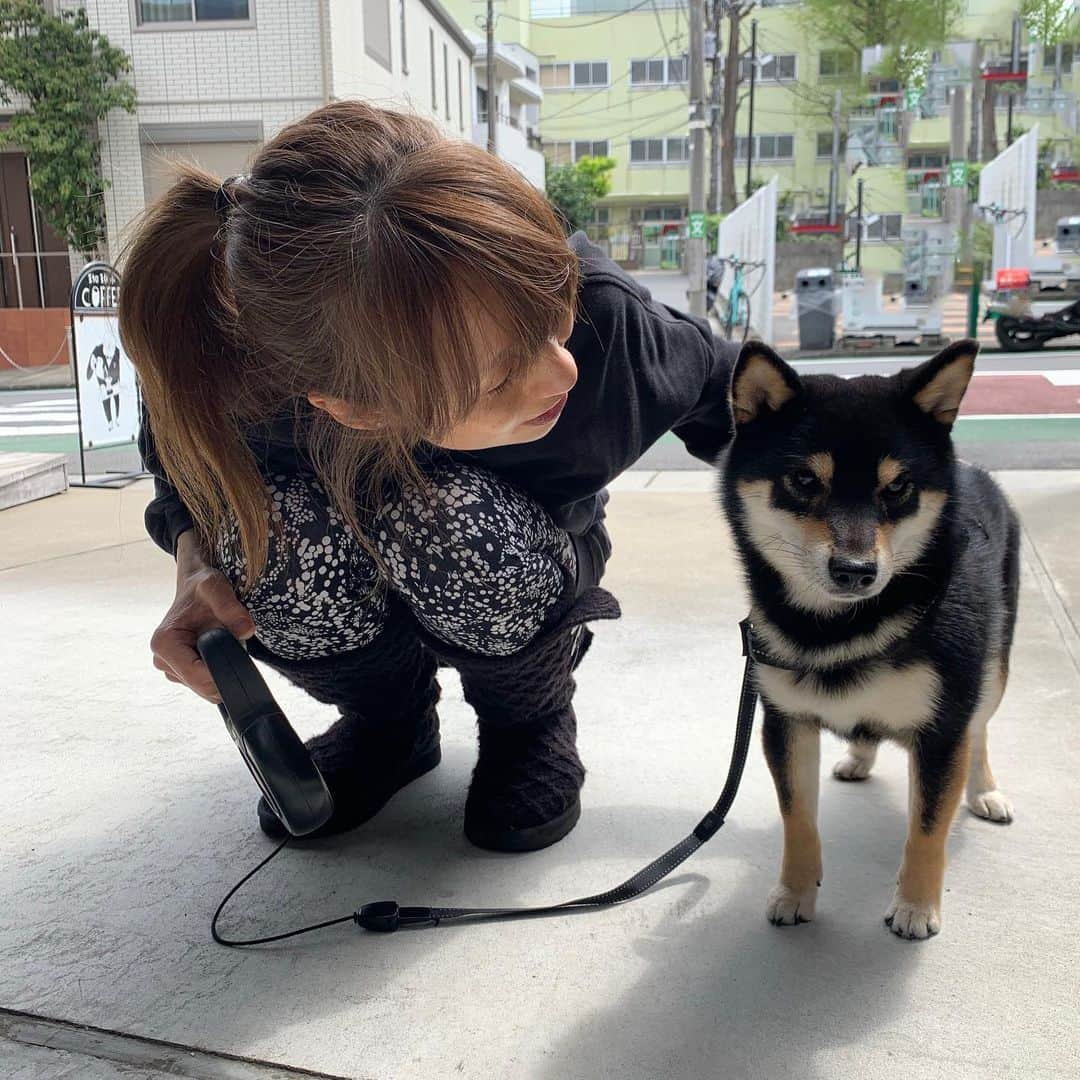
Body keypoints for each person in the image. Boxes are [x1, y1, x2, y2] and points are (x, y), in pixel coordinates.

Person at [121, 100, 736, 855]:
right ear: (350, 405)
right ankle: (389, 724)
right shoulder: (248, 378)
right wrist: (194, 560)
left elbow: (770, 410)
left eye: (552, 310)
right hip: (344, 573)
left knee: (448, 521)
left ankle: (529, 721)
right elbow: (179, 463)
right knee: (262, 534)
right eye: (501, 373)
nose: (563, 369)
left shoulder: (608, 334)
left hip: (517, 562)